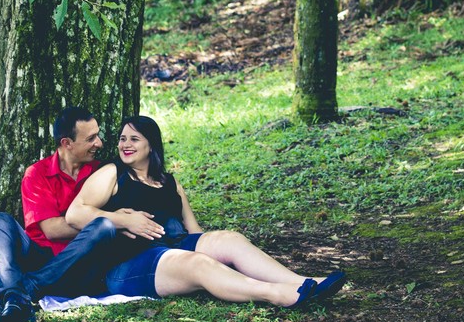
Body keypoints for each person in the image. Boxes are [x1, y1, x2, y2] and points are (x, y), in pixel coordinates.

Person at [66, 115, 346, 308]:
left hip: (172, 247)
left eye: (134, 139)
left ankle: (305, 282)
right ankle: (277, 294)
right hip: (128, 264)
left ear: (151, 144)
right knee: (198, 264)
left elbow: (195, 232)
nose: (125, 144)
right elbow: (75, 214)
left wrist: (216, 247)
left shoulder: (170, 182)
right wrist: (123, 219)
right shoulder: (113, 174)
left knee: (229, 239)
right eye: (122, 138)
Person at [0, 106, 166, 322]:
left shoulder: (103, 172)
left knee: (102, 226)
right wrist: (115, 218)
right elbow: (51, 230)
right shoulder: (37, 173)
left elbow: (104, 226)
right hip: (41, 258)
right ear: (66, 143)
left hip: (84, 266)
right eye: (90, 139)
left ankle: (23, 292)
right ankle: (13, 299)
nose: (99, 143)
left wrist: (107, 221)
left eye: (97, 135)